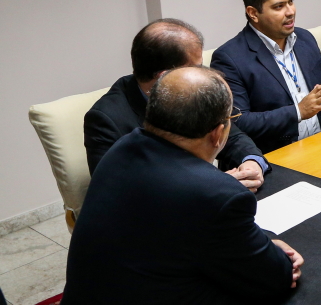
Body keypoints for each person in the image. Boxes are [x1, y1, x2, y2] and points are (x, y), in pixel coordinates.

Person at [54, 67, 304, 305]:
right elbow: (276, 278)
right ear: (218, 133)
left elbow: (181, 227)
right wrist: (270, 251)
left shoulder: (123, 150)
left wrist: (255, 241)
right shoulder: (213, 193)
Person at [84, 18, 267, 191]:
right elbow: (117, 189)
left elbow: (231, 134)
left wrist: (252, 162)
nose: (203, 74)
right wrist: (210, 186)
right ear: (164, 77)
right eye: (196, 68)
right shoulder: (106, 119)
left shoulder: (193, 89)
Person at [211, 0, 321, 153]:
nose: (290, 12)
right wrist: (298, 112)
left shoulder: (304, 38)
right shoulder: (229, 58)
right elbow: (238, 123)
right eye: (279, 7)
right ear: (253, 13)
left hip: (319, 146)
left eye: (291, 2)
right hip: (274, 157)